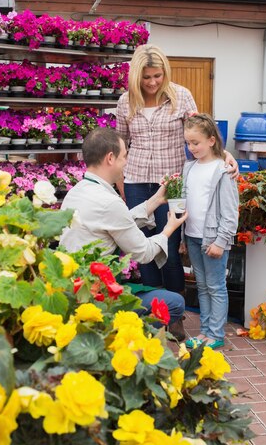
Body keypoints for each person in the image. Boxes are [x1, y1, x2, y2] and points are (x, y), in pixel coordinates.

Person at [116, 43, 238, 296]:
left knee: (169, 248)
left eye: (157, 76)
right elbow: (120, 144)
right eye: (146, 77)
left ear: (165, 73)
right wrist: (121, 184)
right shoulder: (125, 102)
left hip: (171, 184)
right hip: (135, 182)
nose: (152, 82)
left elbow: (202, 131)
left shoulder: (181, 96)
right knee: (142, 248)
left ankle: (175, 310)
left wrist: (224, 154)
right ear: (136, 75)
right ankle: (152, 308)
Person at [60, 127, 187, 339]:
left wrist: (155, 200)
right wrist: (169, 229)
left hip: (72, 288)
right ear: (110, 158)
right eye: (124, 156)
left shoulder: (77, 192)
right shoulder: (108, 201)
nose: (126, 162)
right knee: (176, 303)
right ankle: (127, 342)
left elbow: (118, 221)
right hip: (96, 297)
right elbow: (144, 253)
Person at [181, 114, 239, 350]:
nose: (191, 147)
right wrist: (184, 237)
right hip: (194, 237)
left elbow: (230, 211)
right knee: (202, 286)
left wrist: (221, 240)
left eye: (196, 143)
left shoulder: (223, 171)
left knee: (216, 287)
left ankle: (216, 333)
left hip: (214, 239)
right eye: (188, 143)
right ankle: (205, 332)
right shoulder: (189, 168)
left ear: (211, 141)